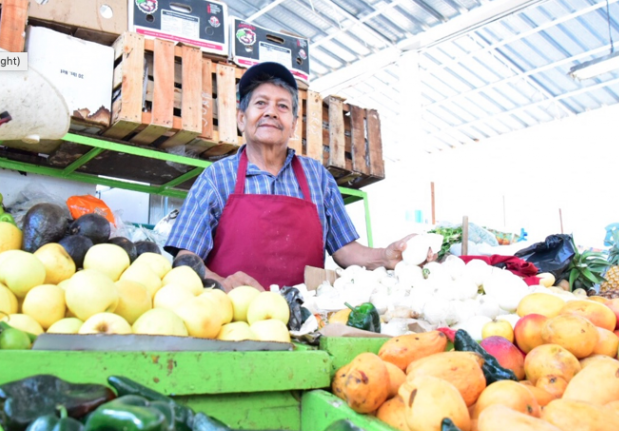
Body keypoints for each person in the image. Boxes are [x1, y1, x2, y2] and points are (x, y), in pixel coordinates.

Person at [165, 62, 432, 291]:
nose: (271, 112)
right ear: (241, 119)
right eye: (260, 103)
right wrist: (220, 284)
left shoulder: (317, 178)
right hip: (232, 321)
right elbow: (185, 257)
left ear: (293, 124)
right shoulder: (217, 177)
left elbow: (346, 251)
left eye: (282, 106)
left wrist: (386, 256)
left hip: (305, 322)